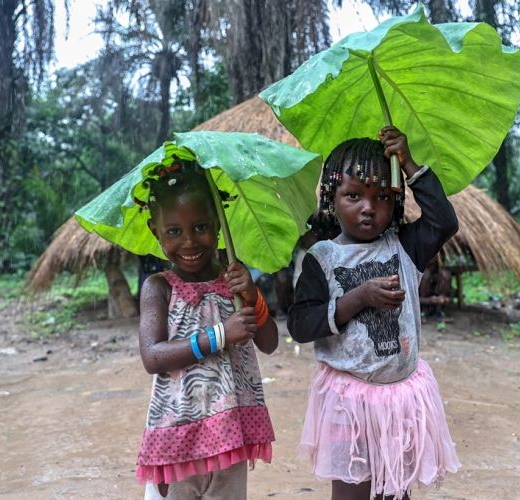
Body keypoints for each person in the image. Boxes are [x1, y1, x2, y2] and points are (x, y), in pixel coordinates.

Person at [287, 126, 461, 499]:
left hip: (399, 399)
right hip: (347, 400)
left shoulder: (406, 247)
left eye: (381, 196)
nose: (368, 207)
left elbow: (445, 222)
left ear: (395, 200)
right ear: (332, 198)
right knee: (351, 491)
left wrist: (410, 165)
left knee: (396, 491)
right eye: (353, 195)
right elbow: (301, 325)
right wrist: (359, 297)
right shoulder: (323, 259)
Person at [136, 160, 279, 500]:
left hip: (230, 436)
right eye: (173, 231)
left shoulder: (235, 281)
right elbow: (153, 357)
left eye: (200, 226)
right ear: (155, 231)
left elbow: (270, 342)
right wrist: (220, 334)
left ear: (218, 223)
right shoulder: (158, 288)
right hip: (178, 440)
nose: (188, 242)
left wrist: (252, 295)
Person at [418, 258, 453, 332]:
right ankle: (423, 311)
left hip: (435, 296)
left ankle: (439, 311)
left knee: (445, 274)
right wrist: (430, 300)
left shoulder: (440, 273)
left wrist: (445, 299)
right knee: (425, 274)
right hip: (423, 298)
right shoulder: (425, 273)